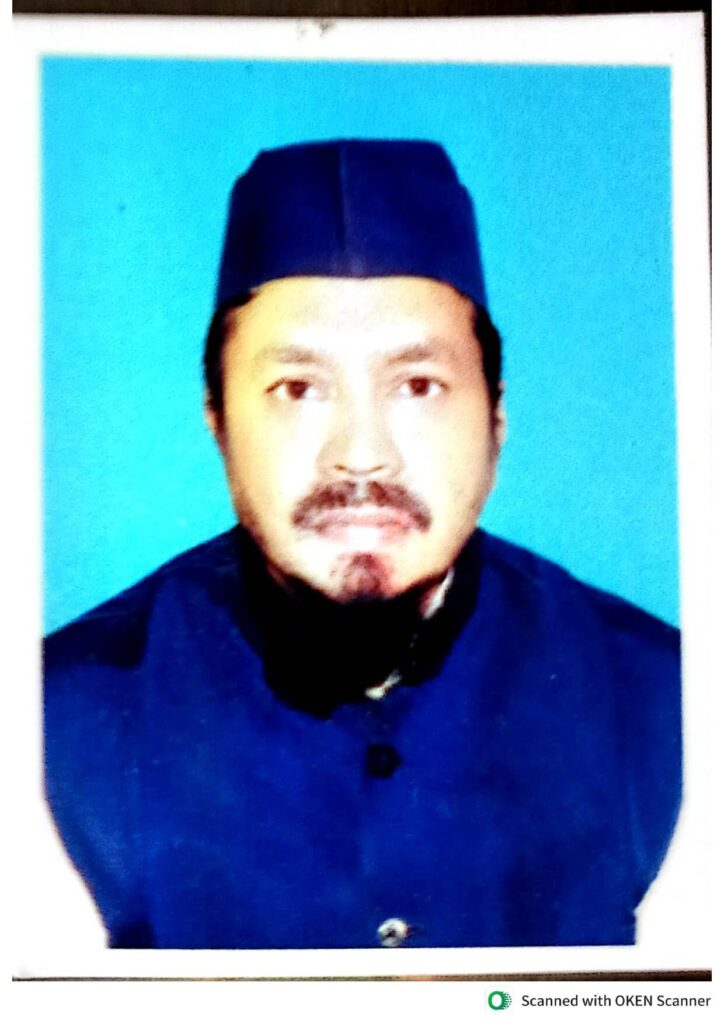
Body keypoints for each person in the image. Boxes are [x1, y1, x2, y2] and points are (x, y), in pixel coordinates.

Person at [44, 139, 681, 950]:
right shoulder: (51, 725)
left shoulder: (671, 705)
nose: (361, 455)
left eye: (417, 386)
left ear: (497, 421)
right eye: (298, 389)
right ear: (217, 422)